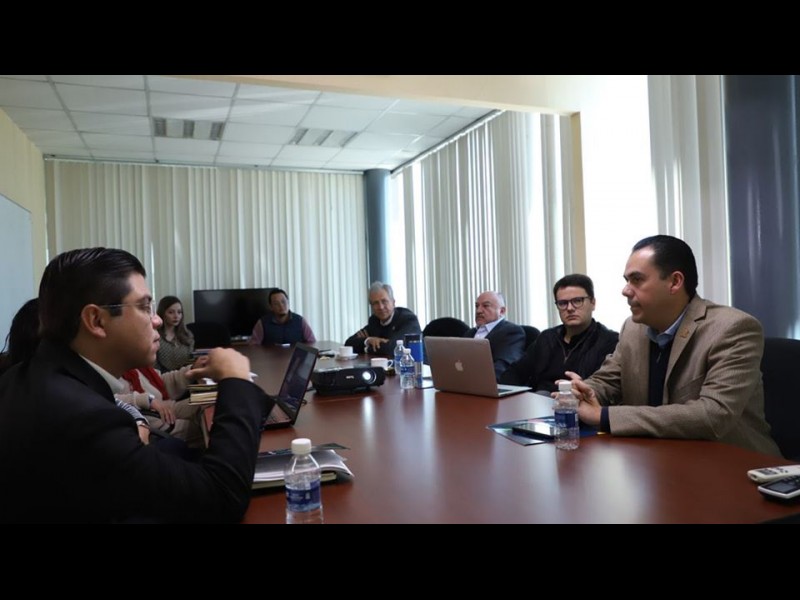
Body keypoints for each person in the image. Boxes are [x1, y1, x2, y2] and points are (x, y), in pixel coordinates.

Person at [0, 247, 272, 523]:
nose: (156, 320)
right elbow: (222, 497)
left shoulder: (23, 376)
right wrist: (236, 380)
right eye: (144, 307)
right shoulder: (84, 418)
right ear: (96, 321)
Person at [567, 235, 780, 456]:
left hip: (733, 462)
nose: (625, 290)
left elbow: (714, 415)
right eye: (627, 280)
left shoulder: (733, 328)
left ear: (675, 282)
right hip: (655, 458)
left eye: (637, 280)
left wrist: (603, 416)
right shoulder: (633, 328)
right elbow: (608, 380)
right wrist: (581, 393)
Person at [500, 274, 619, 393]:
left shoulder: (610, 341)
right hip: (539, 399)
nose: (570, 308)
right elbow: (514, 373)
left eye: (577, 301)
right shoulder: (547, 337)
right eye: (563, 303)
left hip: (577, 401)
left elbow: (606, 387)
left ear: (593, 303)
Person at [345, 281, 421, 356]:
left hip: (414, 363)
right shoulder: (374, 321)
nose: (381, 307)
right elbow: (348, 344)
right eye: (375, 303)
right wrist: (368, 340)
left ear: (393, 302)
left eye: (384, 301)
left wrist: (366, 348)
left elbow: (392, 349)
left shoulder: (408, 319)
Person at [463, 291, 525, 380]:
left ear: (502, 311)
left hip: (488, 383)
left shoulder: (512, 332)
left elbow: (503, 366)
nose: (478, 311)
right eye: (477, 306)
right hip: (462, 383)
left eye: (486, 306)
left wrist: (475, 381)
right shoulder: (469, 333)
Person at [249, 288, 316, 346]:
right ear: (271, 307)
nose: (281, 306)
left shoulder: (300, 321)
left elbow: (312, 342)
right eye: (276, 303)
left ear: (288, 302)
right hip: (271, 356)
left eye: (283, 302)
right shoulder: (262, 323)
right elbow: (254, 345)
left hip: (295, 356)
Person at [155, 295, 194, 372]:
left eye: (179, 312)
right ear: (163, 313)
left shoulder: (187, 335)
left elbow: (190, 361)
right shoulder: (156, 337)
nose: (176, 316)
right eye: (171, 312)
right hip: (161, 375)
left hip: (185, 374)